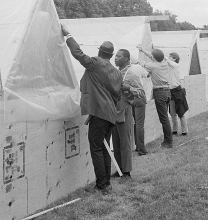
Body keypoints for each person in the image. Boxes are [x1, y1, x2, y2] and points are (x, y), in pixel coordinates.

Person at [61, 23, 122, 195]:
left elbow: (78, 54)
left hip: (100, 113)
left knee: (96, 148)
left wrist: (68, 35)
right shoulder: (117, 73)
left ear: (99, 52)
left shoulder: (96, 63)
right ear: (110, 55)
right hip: (109, 114)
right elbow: (116, 95)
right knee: (104, 148)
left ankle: (101, 185)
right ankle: (107, 184)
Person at [112, 49, 145, 179]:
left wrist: (129, 88)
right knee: (116, 142)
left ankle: (126, 171)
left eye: (119, 56)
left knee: (125, 142)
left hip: (125, 110)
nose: (115, 58)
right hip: (114, 110)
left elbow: (141, 93)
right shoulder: (115, 73)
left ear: (126, 59)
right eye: (115, 56)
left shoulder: (131, 74)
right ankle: (119, 169)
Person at [136, 45, 173, 148]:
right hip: (167, 91)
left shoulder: (152, 66)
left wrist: (133, 58)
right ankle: (168, 140)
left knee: (164, 119)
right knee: (165, 117)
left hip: (160, 93)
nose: (151, 57)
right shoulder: (164, 63)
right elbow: (153, 57)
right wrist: (143, 50)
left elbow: (140, 63)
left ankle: (168, 142)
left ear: (154, 58)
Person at [165, 52, 189, 136]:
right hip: (171, 92)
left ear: (174, 58)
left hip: (177, 91)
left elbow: (165, 59)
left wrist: (159, 53)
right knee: (172, 113)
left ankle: (184, 131)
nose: (168, 58)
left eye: (170, 57)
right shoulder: (170, 66)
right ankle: (174, 130)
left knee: (181, 113)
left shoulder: (175, 65)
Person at [131, 64, 149, 156]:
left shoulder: (125, 70)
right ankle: (141, 149)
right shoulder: (138, 67)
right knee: (140, 124)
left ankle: (138, 146)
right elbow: (148, 75)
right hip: (139, 95)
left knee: (135, 123)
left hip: (130, 97)